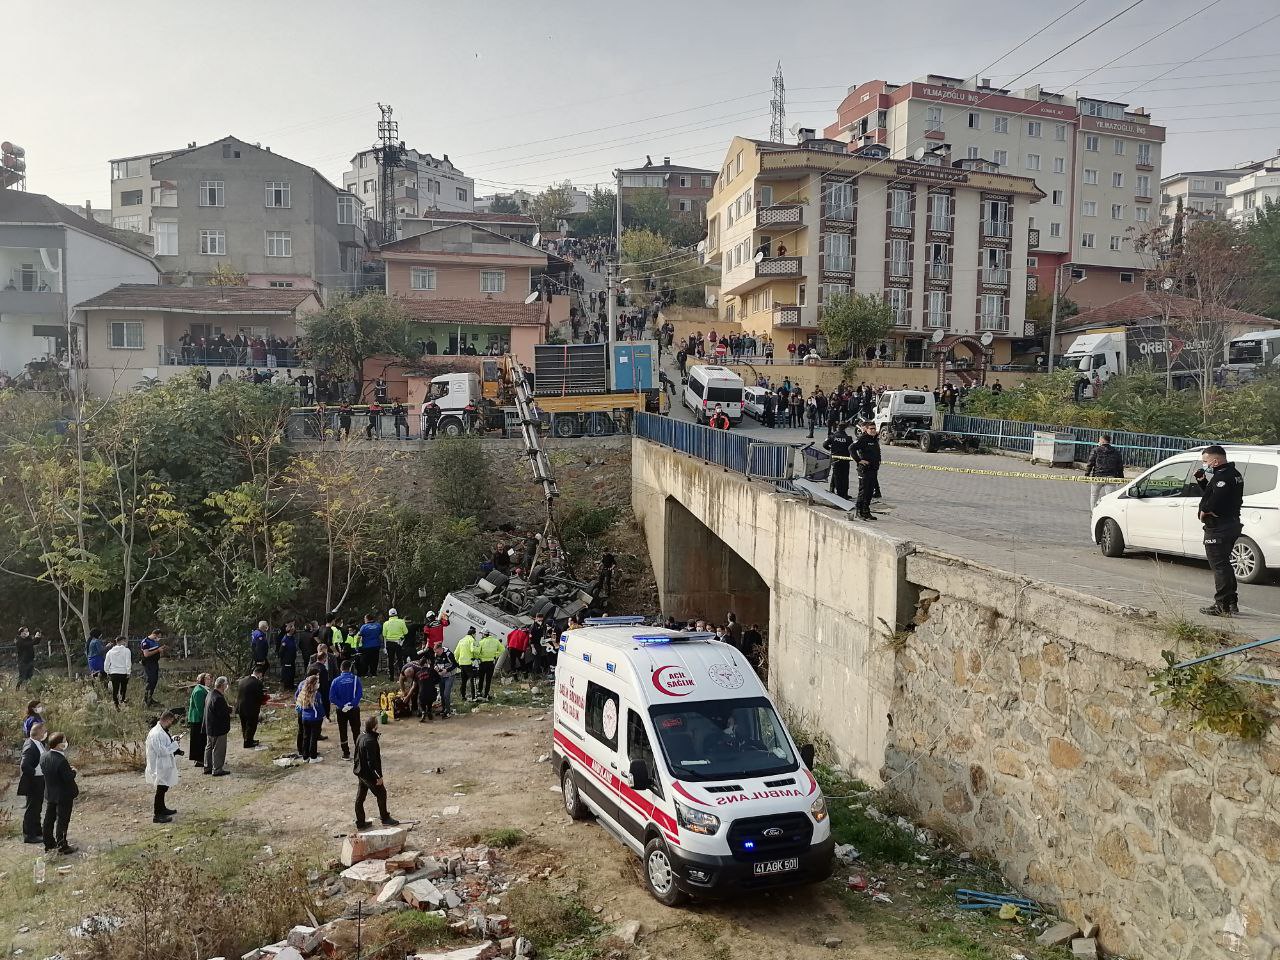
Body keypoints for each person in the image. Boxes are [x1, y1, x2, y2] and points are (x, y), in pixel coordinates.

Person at [1194, 445, 1245, 617]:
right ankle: (1231, 602)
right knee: (1225, 564)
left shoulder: (1223, 476)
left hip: (1219, 527)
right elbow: (1214, 492)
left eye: (1205, 461)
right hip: (1230, 525)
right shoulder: (1232, 473)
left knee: (1219, 567)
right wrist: (1202, 482)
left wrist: (1205, 510)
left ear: (1215, 461)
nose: (1204, 465)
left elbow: (1216, 499)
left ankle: (1221, 605)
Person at [353, 715, 399, 829]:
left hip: (360, 772)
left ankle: (361, 822)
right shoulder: (370, 741)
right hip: (369, 775)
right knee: (382, 794)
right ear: (375, 727)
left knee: (360, 798)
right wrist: (378, 777)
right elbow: (372, 763)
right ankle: (385, 818)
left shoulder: (361, 736)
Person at [39, 732, 78, 855]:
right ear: (59, 745)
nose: (66, 742)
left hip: (50, 793)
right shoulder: (61, 760)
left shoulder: (44, 756)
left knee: (48, 819)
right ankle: (62, 845)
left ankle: (49, 844)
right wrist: (73, 772)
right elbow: (67, 778)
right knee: (62, 821)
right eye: (64, 741)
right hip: (63, 795)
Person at [144, 708, 183, 824]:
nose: (171, 724)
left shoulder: (162, 730)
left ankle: (163, 809)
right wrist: (175, 745)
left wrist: (173, 740)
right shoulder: (156, 734)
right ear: (166, 720)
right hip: (158, 766)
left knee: (164, 787)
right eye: (171, 722)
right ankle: (157, 815)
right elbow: (162, 751)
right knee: (160, 790)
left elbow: (165, 744)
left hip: (163, 765)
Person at [18, 721, 48, 844]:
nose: (46, 732)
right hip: (34, 781)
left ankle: (37, 831)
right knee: (32, 808)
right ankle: (29, 835)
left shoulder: (38, 743)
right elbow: (25, 765)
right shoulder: (30, 746)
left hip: (40, 780)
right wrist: (35, 774)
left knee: (37, 807)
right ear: (39, 732)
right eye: (44, 730)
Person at [330, 659, 363, 760]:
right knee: (356, 730)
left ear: (341, 669)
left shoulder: (335, 681)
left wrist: (342, 705)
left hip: (341, 710)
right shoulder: (356, 679)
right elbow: (359, 694)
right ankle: (359, 753)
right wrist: (351, 704)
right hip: (354, 709)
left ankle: (346, 753)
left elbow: (332, 697)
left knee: (343, 731)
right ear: (350, 668)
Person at [1085, 434, 1125, 508]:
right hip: (1111, 477)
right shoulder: (1116, 451)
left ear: (1102, 441)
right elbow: (1120, 466)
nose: (1098, 442)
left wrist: (1086, 475)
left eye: (1099, 440)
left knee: (1094, 495)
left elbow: (1090, 463)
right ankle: (1108, 513)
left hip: (1097, 476)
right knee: (1110, 497)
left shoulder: (1095, 450)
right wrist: (1121, 477)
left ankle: (1094, 512)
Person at [853, 421, 882, 521]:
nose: (873, 430)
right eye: (871, 429)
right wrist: (859, 460)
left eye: (874, 428)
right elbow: (851, 448)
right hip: (864, 470)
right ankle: (859, 511)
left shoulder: (874, 439)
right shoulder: (863, 439)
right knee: (863, 491)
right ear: (866, 429)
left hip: (873, 470)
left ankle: (866, 511)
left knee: (870, 492)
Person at [203, 677, 232, 777]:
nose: (227, 686)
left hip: (209, 726)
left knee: (209, 747)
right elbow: (221, 714)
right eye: (226, 684)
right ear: (222, 685)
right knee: (218, 749)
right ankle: (217, 769)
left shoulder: (210, 694)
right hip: (218, 728)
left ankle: (207, 767)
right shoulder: (219, 698)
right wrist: (229, 710)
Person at [237, 664, 267, 749]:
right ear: (260, 674)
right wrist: (264, 696)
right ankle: (248, 742)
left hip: (241, 706)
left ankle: (246, 739)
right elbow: (260, 696)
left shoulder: (242, 680)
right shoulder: (257, 682)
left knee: (244, 724)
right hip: (251, 708)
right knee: (251, 725)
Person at [295, 672, 322, 762]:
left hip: (304, 718)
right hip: (314, 719)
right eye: (317, 682)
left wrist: (302, 713)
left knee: (306, 737)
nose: (319, 684)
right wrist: (324, 716)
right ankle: (313, 757)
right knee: (313, 738)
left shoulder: (302, 693)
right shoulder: (316, 695)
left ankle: (305, 756)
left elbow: (297, 706)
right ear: (314, 684)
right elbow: (320, 708)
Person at [824, 422, 853, 500]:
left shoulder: (832, 436)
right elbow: (852, 448)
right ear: (845, 428)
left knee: (836, 474)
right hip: (845, 459)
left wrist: (831, 449)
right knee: (844, 476)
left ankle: (833, 489)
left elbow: (824, 444)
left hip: (835, 458)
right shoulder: (848, 438)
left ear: (837, 427)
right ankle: (843, 493)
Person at [186, 674, 210, 767]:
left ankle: (200, 758)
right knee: (198, 740)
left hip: (199, 719)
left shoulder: (203, 689)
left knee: (201, 740)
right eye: (207, 679)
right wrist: (206, 718)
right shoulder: (199, 691)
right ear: (202, 680)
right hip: (197, 720)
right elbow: (200, 708)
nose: (210, 680)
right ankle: (199, 759)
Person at [140, 629, 165, 708]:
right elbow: (146, 654)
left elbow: (156, 651)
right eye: (158, 637)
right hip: (148, 663)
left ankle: (150, 698)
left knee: (154, 680)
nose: (159, 639)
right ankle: (146, 699)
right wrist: (158, 650)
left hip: (155, 663)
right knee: (150, 680)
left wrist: (161, 651)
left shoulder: (155, 642)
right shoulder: (145, 642)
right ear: (155, 635)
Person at [105, 638, 131, 708]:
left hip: (114, 672)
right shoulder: (127, 651)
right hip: (124, 672)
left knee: (115, 689)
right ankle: (122, 701)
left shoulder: (110, 652)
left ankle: (116, 704)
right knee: (123, 688)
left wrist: (107, 671)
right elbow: (128, 662)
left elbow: (106, 663)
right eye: (125, 641)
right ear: (122, 641)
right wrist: (128, 672)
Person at [476, 631, 503, 701]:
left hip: (482, 663)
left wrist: (479, 657)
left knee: (481, 678)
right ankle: (486, 694)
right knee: (488, 680)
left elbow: (477, 652)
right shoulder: (496, 641)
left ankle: (479, 692)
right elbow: (502, 649)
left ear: (484, 635)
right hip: (491, 663)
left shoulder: (481, 642)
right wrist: (495, 656)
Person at [383, 608, 408, 680]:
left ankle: (391, 677)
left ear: (389, 615)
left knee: (390, 660)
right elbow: (406, 632)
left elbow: (384, 635)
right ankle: (402, 676)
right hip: (399, 643)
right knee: (400, 659)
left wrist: (384, 647)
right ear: (396, 614)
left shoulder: (386, 623)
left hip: (389, 643)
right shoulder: (401, 622)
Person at [434, 642, 457, 719]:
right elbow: (435, 663)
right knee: (442, 693)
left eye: (437, 652)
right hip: (441, 676)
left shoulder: (448, 654)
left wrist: (446, 670)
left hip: (449, 675)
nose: (436, 654)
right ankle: (444, 709)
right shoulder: (436, 654)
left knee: (446, 694)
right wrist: (436, 668)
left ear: (441, 649)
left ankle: (448, 711)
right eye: (435, 652)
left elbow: (455, 664)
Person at [455, 627, 479, 702]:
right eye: (475, 634)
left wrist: (457, 661)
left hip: (462, 663)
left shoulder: (461, 640)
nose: (475, 635)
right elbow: (474, 651)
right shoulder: (472, 640)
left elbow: (456, 652)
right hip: (470, 663)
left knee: (463, 681)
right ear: (473, 634)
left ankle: (463, 696)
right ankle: (474, 697)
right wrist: (476, 658)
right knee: (473, 680)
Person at [357, 613, 383, 678]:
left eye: (364, 619)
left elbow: (359, 637)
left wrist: (357, 645)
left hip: (366, 646)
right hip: (376, 645)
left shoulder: (364, 627)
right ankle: (373, 673)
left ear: (367, 619)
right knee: (375, 660)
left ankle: (365, 674)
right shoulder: (378, 625)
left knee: (365, 660)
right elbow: (381, 635)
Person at [279, 622, 298, 690]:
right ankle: (287, 686)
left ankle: (291, 685)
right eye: (292, 627)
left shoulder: (292, 638)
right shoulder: (285, 640)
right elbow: (281, 652)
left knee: (292, 672)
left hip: (292, 659)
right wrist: (284, 660)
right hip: (287, 659)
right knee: (287, 673)